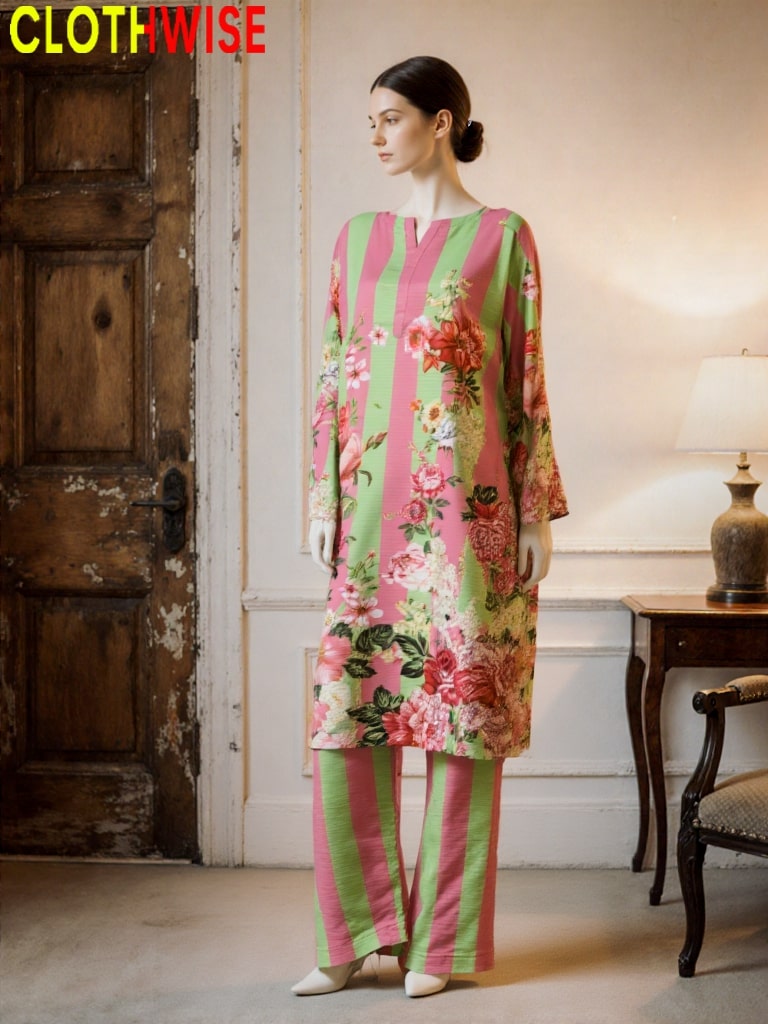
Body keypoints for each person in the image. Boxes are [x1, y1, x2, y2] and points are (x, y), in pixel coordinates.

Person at [294, 55, 568, 999]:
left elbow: (525, 381)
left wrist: (534, 512)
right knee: (346, 722)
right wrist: (321, 505)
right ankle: (352, 935)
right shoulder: (354, 238)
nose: (374, 134)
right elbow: (334, 382)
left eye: (391, 117)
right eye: (368, 119)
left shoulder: (504, 239)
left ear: (442, 121)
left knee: (461, 728)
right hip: (367, 526)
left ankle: (438, 947)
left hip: (470, 525)